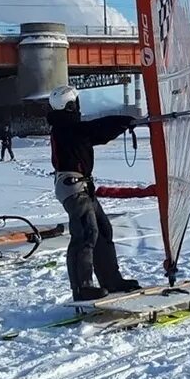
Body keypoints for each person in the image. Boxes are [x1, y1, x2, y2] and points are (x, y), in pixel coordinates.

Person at [47, 84, 142, 301]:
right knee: (85, 234)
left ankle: (111, 280)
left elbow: (95, 131)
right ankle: (82, 287)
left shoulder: (68, 126)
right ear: (70, 105)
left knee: (102, 230)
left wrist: (122, 122)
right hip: (73, 187)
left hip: (81, 186)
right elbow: (96, 130)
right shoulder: (66, 127)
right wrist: (122, 121)